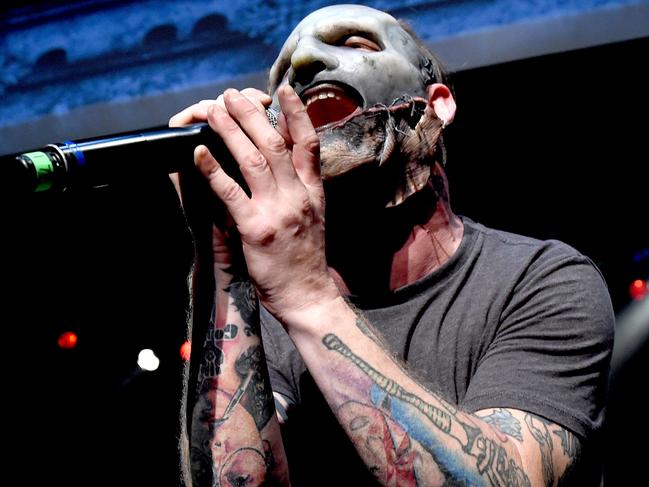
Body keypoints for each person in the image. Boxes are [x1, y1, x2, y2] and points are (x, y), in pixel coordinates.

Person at [168, 4, 614, 486]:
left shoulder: (543, 281)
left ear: (436, 103)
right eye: (283, 72)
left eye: (355, 44)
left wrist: (310, 299)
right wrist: (221, 258)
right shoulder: (269, 316)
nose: (304, 66)